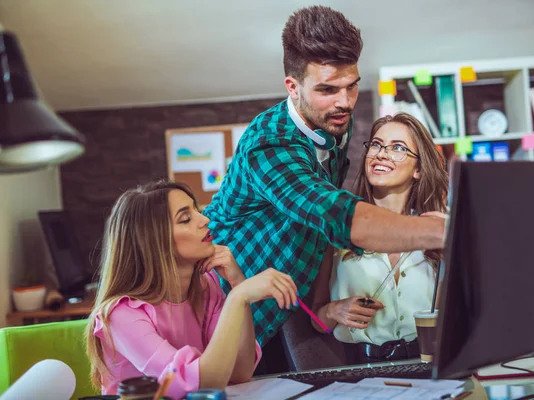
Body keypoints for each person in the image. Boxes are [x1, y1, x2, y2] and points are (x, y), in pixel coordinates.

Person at [203, 5, 445, 348]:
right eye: (328, 90)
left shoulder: (333, 127)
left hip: (282, 314)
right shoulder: (268, 144)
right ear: (293, 86)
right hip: (222, 314)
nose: (344, 102)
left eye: (352, 87)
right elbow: (331, 211)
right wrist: (445, 230)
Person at [85, 181, 298, 399]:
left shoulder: (208, 286)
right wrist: (238, 296)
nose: (205, 220)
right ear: (154, 241)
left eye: (196, 210)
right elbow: (201, 384)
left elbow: (240, 372)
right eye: (186, 218)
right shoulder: (121, 315)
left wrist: (237, 284)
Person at [310, 113, 448, 364]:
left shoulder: (437, 230)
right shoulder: (337, 231)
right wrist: (334, 310)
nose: (381, 154)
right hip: (363, 372)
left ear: (418, 169)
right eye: (376, 144)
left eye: (398, 148)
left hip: (430, 366)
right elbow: (317, 321)